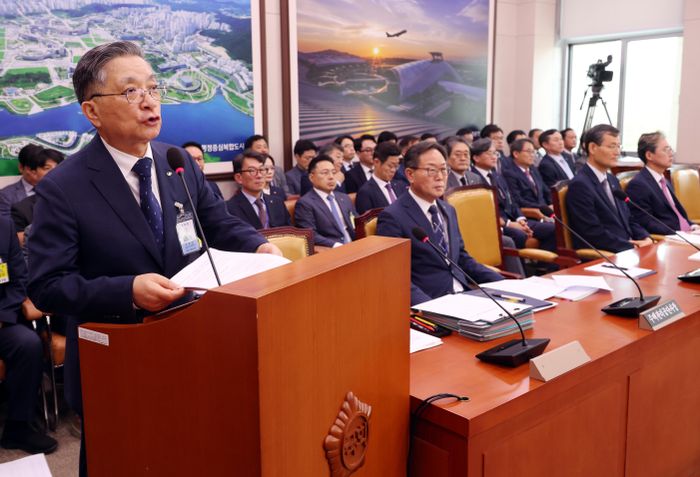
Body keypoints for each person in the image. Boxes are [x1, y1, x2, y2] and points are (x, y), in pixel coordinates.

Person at [26, 41, 280, 476]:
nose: (148, 101)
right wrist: (128, 291)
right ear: (92, 112)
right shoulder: (64, 187)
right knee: (121, 460)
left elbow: (218, 224)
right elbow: (48, 285)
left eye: (154, 88)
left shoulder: (175, 161)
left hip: (194, 340)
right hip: (118, 359)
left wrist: (259, 246)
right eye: (130, 91)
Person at [376, 141, 502, 305]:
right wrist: (431, 308)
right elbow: (394, 277)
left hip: (465, 296)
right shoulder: (393, 217)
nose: (440, 177)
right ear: (410, 175)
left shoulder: (448, 210)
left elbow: (462, 258)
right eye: (431, 170)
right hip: (431, 304)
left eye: (443, 169)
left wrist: (503, 283)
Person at [0, 218, 58, 455]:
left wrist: (2, 316)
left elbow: (19, 281)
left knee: (29, 345)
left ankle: (17, 428)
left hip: (2, 319)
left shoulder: (4, 227)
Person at [566, 124, 652, 252]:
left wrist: (645, 237)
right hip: (605, 255)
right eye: (611, 146)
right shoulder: (580, 185)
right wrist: (631, 246)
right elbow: (592, 232)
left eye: (618, 146)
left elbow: (628, 218)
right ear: (593, 148)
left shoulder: (612, 180)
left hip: (627, 250)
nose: (617, 152)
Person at [471, 138, 556, 251]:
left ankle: (546, 267)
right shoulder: (473, 178)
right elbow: (484, 210)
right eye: (489, 153)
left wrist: (520, 219)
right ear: (476, 157)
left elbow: (512, 201)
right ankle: (520, 268)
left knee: (554, 228)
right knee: (520, 235)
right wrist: (509, 223)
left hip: (514, 219)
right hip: (496, 223)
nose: (494, 156)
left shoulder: (497, 175)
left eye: (495, 153)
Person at [626, 131, 696, 234]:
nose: (671, 153)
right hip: (671, 239)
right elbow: (646, 222)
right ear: (649, 155)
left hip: (688, 234)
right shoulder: (638, 185)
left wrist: (692, 226)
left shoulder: (664, 181)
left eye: (670, 149)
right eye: (665, 149)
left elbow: (677, 215)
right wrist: (679, 234)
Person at [294, 155, 356, 247]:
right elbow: (310, 234)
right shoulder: (305, 203)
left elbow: (356, 223)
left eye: (333, 172)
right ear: (311, 177)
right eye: (325, 173)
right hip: (332, 250)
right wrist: (335, 245)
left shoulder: (344, 198)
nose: (331, 177)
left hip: (355, 245)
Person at [226, 150, 290, 229]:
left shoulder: (278, 202)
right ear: (239, 178)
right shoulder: (229, 209)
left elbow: (289, 234)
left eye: (262, 169)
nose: (259, 175)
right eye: (252, 171)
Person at [0, 144, 60, 217]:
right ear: (22, 168)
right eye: (46, 168)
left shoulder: (60, 192)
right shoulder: (5, 196)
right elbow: (6, 226)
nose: (53, 172)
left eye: (56, 168)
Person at [355, 142, 407, 214]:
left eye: (396, 166)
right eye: (390, 166)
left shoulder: (401, 186)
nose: (393, 170)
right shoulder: (365, 192)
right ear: (376, 162)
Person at [503, 138, 552, 209]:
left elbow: (545, 191)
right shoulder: (509, 173)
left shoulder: (533, 169)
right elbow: (518, 200)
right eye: (529, 151)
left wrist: (554, 205)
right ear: (516, 154)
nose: (532, 155)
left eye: (533, 152)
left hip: (546, 210)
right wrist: (544, 208)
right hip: (530, 213)